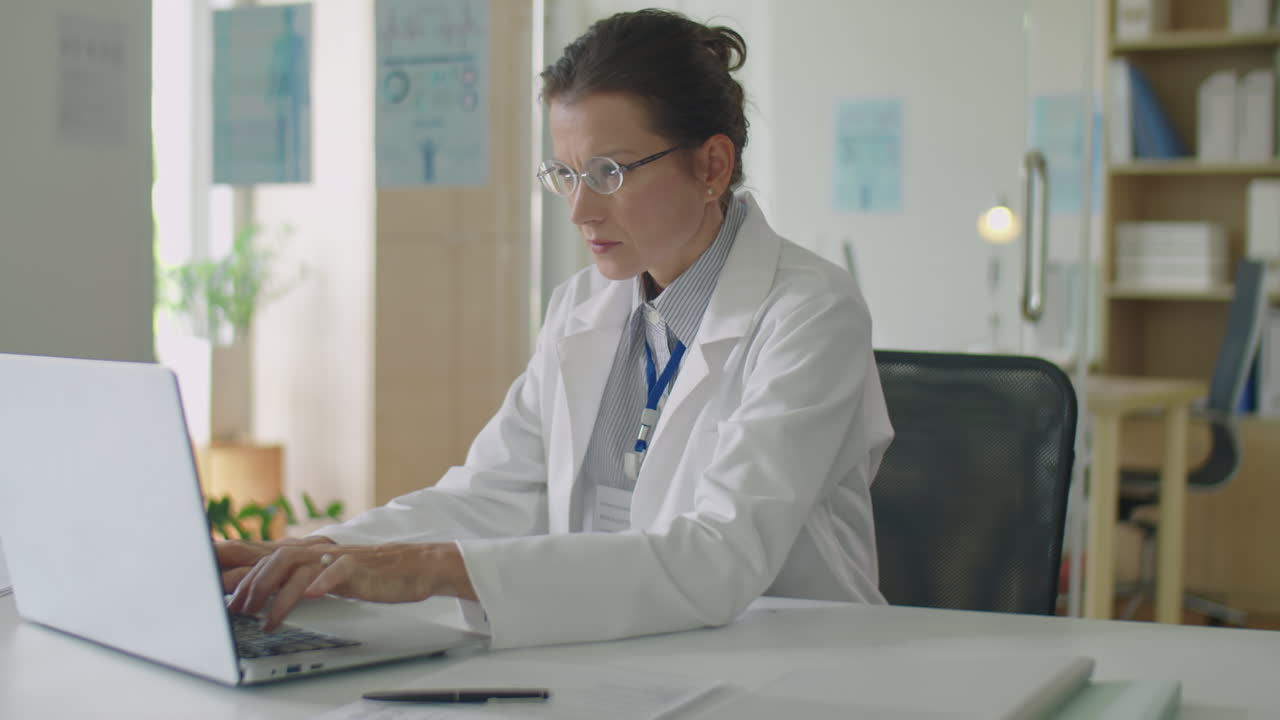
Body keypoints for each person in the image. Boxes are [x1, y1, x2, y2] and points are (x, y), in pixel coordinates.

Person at [219, 8, 893, 651]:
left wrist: (435, 569)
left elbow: (720, 556)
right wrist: (318, 556)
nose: (579, 209)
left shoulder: (810, 312)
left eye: (609, 172)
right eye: (565, 174)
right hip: (616, 656)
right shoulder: (583, 307)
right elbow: (492, 495)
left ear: (712, 166)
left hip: (789, 668)